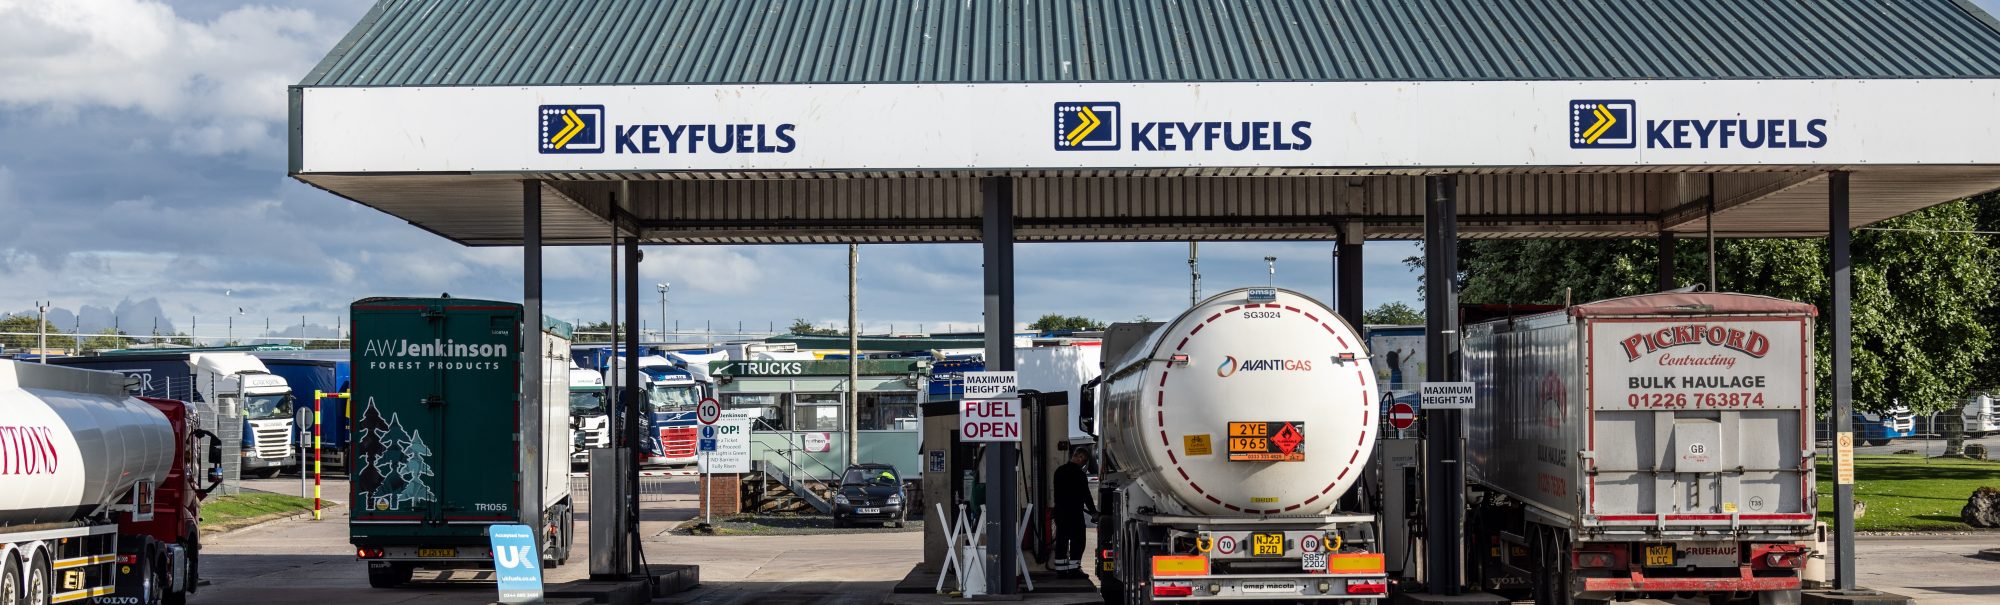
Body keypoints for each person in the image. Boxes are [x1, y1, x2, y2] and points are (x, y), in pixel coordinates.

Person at [1051, 446, 1097, 578]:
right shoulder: (1079, 474)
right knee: (1078, 541)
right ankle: (1074, 569)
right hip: (1074, 513)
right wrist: (1093, 512)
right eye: (1084, 460)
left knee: (1062, 540)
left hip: (1060, 511)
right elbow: (1086, 495)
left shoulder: (1059, 471)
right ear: (1080, 457)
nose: (1084, 463)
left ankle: (1061, 570)